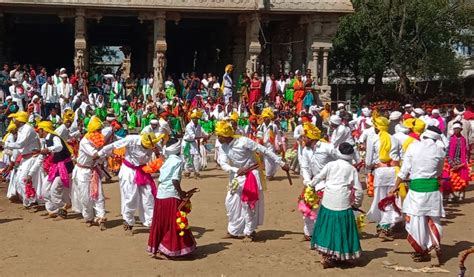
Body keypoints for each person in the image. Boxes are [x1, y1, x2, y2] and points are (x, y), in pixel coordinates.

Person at [216, 120, 289, 241]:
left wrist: (281, 162)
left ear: (227, 135)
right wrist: (236, 169)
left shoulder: (243, 141)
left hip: (251, 175)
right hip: (236, 175)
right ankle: (234, 230)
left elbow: (264, 150)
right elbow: (222, 163)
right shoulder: (223, 146)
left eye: (220, 135)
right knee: (230, 202)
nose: (218, 138)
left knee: (248, 204)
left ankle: (249, 232)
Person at [390, 126, 445, 266]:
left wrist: (395, 186)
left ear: (424, 136)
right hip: (433, 189)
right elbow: (439, 172)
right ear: (436, 138)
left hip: (416, 191)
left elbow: (404, 171)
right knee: (433, 219)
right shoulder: (440, 151)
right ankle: (434, 247)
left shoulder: (413, 147)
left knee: (416, 220)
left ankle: (422, 249)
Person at [308, 142, 363, 268]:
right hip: (343, 202)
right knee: (342, 229)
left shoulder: (330, 165)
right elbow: (359, 190)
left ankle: (327, 256)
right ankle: (342, 255)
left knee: (327, 228)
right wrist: (356, 203)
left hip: (328, 200)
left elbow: (318, 178)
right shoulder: (351, 169)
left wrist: (310, 186)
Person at [102, 132, 162, 234]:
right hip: (129, 171)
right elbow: (113, 145)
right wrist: (99, 154)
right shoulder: (131, 139)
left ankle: (151, 223)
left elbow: (161, 158)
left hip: (143, 171)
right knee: (131, 198)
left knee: (148, 196)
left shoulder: (154, 145)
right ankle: (129, 221)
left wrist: (157, 153)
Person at [147, 138, 197, 259]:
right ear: (178, 149)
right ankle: (172, 250)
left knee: (161, 222)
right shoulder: (178, 161)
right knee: (174, 222)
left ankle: (159, 247)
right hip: (171, 195)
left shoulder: (168, 160)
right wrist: (182, 194)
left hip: (160, 195)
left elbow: (163, 162)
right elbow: (175, 180)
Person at [365, 116, 403, 241]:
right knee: (390, 199)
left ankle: (383, 225)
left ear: (377, 127)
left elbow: (368, 160)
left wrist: (368, 169)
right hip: (394, 172)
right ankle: (386, 225)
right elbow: (400, 157)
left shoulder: (373, 139)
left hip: (380, 173)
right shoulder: (395, 139)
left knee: (380, 199)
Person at [299, 122, 336, 240]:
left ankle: (327, 234)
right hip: (312, 183)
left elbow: (340, 159)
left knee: (327, 211)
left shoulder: (327, 147)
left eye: (305, 137)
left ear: (311, 138)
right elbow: (304, 167)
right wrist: (307, 182)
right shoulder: (306, 150)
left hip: (328, 183)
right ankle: (309, 233)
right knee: (307, 209)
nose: (303, 139)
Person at [71, 116, 108, 230]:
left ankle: (101, 217)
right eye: (97, 130)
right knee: (86, 198)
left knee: (99, 195)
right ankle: (88, 218)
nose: (99, 133)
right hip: (82, 171)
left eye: (100, 130)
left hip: (94, 170)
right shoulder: (85, 141)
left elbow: (101, 157)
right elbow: (95, 154)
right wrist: (108, 150)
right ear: (92, 131)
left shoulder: (99, 141)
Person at [1, 111, 41, 207]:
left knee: (23, 180)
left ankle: (31, 200)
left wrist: (4, 144)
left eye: (15, 119)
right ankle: (29, 200)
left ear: (20, 120)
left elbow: (20, 144)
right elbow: (19, 149)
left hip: (31, 157)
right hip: (25, 158)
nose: (13, 121)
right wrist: (13, 161)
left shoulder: (27, 129)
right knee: (18, 181)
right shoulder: (21, 130)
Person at [37, 121, 74, 219]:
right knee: (44, 190)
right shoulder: (46, 140)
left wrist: (49, 149)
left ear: (43, 130)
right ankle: (55, 209)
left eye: (38, 130)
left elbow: (59, 147)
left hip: (64, 168)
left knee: (54, 190)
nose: (38, 132)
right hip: (55, 168)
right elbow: (44, 155)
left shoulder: (54, 137)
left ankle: (63, 207)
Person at [182, 109, 207, 179]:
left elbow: (202, 131)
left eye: (197, 118)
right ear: (192, 119)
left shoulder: (198, 125)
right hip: (187, 143)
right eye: (195, 118)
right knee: (188, 158)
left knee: (196, 157)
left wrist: (207, 135)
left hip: (193, 143)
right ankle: (187, 172)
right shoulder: (188, 126)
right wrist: (203, 137)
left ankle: (196, 173)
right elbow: (194, 136)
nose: (196, 120)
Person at [258, 108, 280, 180]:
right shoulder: (261, 126)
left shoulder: (274, 126)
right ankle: (268, 174)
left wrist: (279, 144)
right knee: (266, 159)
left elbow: (278, 135)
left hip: (271, 144)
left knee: (270, 159)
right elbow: (258, 135)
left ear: (270, 118)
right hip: (263, 144)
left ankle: (269, 174)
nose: (265, 119)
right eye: (264, 118)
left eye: (267, 117)